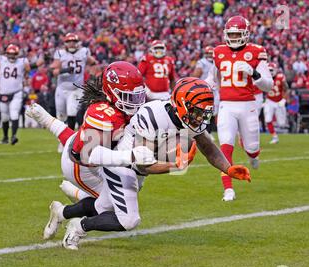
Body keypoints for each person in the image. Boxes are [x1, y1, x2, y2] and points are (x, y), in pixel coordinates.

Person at [29, 77, 251, 250]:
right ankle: (79, 226)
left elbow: (208, 146)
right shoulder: (152, 116)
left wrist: (228, 168)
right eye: (197, 112)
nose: (200, 117)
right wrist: (174, 166)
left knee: (102, 206)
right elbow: (141, 165)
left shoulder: (186, 117)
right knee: (128, 220)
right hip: (122, 166)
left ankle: (62, 213)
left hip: (137, 165)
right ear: (182, 105)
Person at [26, 61, 147, 238]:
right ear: (112, 93)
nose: (135, 103)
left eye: (137, 96)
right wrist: (129, 157)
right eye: (128, 97)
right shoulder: (103, 115)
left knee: (123, 188)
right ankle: (75, 197)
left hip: (86, 150)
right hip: (81, 165)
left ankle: (61, 213)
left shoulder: (116, 111)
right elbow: (87, 154)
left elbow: (74, 138)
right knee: (112, 202)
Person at [205, 16, 273, 201]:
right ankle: (228, 189)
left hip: (248, 105)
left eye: (237, 33)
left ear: (246, 34)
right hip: (227, 105)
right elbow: (212, 78)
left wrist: (255, 73)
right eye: (231, 34)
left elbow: (268, 85)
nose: (234, 37)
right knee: (225, 147)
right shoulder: (218, 51)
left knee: (253, 148)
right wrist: (204, 87)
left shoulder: (257, 52)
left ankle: (252, 154)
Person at [50, 32, 97, 133]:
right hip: (62, 88)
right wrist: (65, 70)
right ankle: (62, 137)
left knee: (72, 112)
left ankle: (69, 138)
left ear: (77, 43)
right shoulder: (60, 53)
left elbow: (93, 63)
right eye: (69, 41)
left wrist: (92, 77)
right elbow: (53, 71)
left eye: (74, 41)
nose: (71, 44)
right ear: (65, 43)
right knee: (61, 116)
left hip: (76, 88)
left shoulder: (84, 52)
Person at [0, 44, 31, 145]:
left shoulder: (22, 61)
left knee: (14, 113)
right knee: (4, 117)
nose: (12, 56)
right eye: (10, 54)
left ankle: (13, 136)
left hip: (16, 92)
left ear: (17, 54)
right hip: (3, 93)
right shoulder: (1, 59)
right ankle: (5, 137)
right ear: (6, 54)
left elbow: (28, 69)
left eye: (14, 54)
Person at [263, 62, 289, 144]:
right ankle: (274, 137)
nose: (270, 72)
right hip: (269, 100)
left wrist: (284, 100)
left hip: (279, 101)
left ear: (275, 70)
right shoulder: (264, 77)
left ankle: (279, 131)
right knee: (268, 119)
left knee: (282, 123)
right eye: (268, 70)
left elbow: (286, 89)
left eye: (271, 70)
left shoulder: (280, 77)